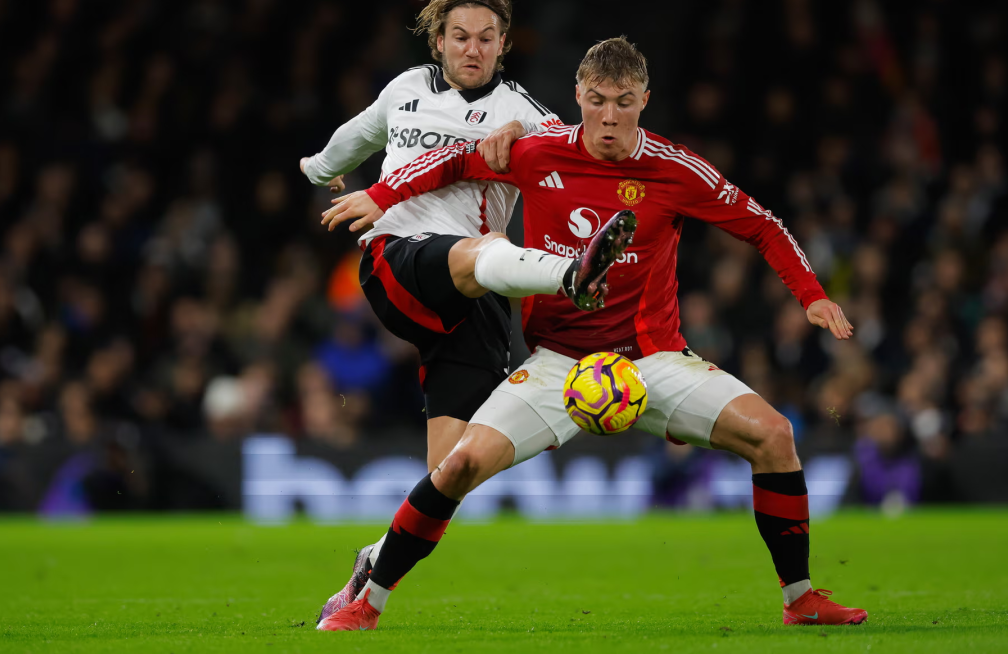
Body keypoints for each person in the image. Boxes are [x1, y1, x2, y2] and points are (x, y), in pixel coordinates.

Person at [318, 37, 867, 630]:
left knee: (774, 435)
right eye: (598, 100)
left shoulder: (675, 169)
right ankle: (366, 602)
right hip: (558, 362)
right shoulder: (536, 151)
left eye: (624, 103)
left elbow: (764, 225)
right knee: (455, 467)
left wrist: (812, 297)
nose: (609, 116)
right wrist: (381, 194)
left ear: (645, 100)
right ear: (578, 95)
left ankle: (802, 599)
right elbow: (452, 161)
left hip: (654, 360)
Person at [300, 0, 630, 626]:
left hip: (478, 300)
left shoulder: (526, 115)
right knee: (473, 251)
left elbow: (578, 174)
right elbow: (354, 137)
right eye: (459, 37)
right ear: (439, 40)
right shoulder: (405, 91)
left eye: (485, 38)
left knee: (450, 475)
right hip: (399, 256)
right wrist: (317, 168)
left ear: (504, 44)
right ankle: (571, 275)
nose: (471, 49)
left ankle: (370, 581)